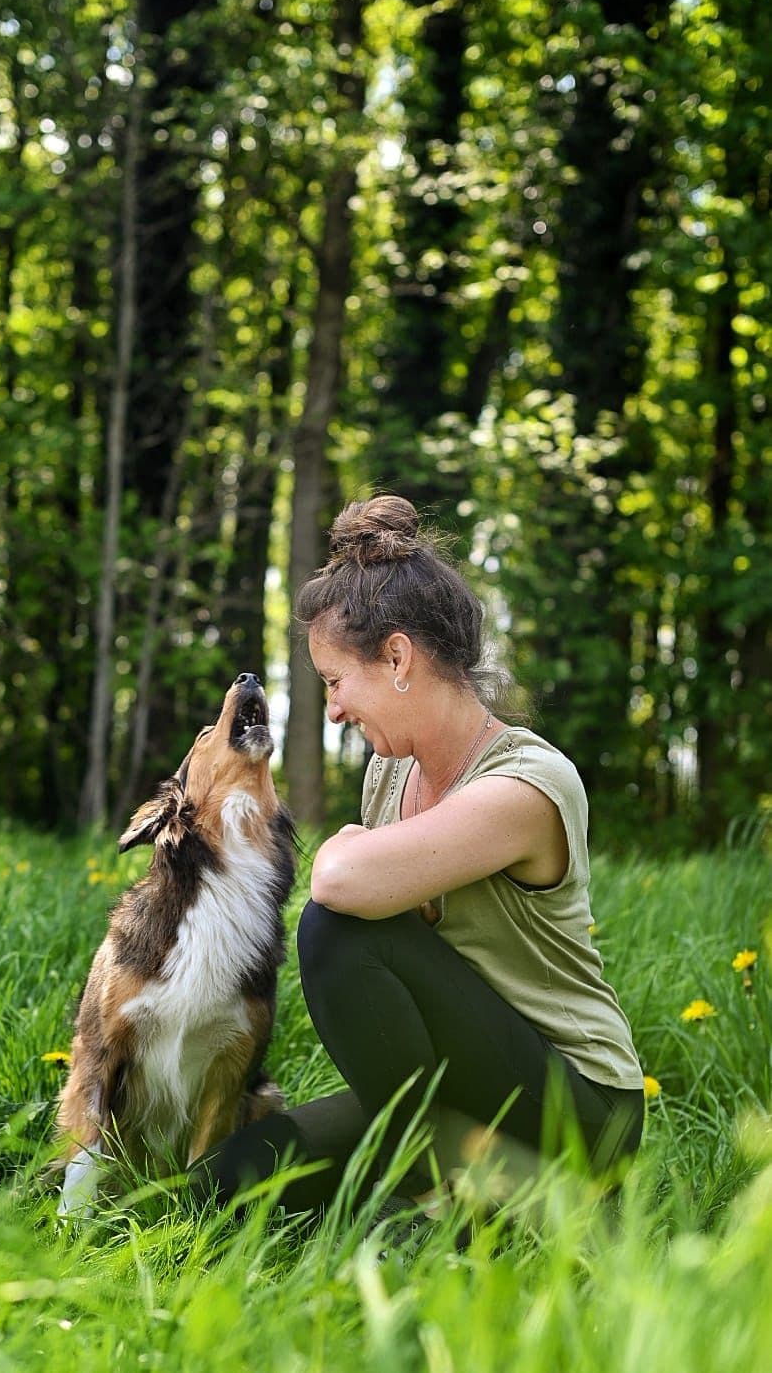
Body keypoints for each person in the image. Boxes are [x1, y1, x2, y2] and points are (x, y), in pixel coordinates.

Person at [191, 494, 644, 1217]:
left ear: (396, 657)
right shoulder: (390, 773)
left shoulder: (527, 783)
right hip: (457, 1085)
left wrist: (347, 848)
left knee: (333, 927)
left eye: (336, 682)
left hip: (573, 1101)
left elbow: (339, 881)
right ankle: (456, 1182)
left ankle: (451, 1203)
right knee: (231, 1182)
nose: (333, 709)